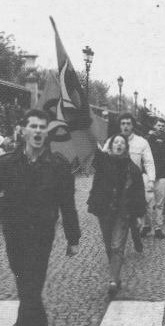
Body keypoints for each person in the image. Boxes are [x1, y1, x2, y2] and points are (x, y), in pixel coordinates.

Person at [0, 109, 80, 326]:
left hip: (41, 235)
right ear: (23, 130)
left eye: (42, 127)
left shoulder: (59, 166)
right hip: (14, 234)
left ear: (47, 134)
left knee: (32, 283)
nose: (37, 131)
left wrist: (73, 238)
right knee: (25, 283)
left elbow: (68, 204)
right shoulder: (6, 164)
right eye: (33, 126)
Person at [88, 134, 146, 298]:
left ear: (126, 148)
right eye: (116, 142)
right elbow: (93, 149)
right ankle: (116, 276)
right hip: (105, 211)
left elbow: (138, 192)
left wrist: (140, 215)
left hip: (123, 212)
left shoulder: (133, 168)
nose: (119, 144)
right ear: (111, 146)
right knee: (108, 245)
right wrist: (103, 150)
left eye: (122, 142)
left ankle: (113, 280)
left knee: (117, 246)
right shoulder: (103, 162)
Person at [103, 113, 155, 249]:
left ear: (133, 126)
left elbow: (149, 162)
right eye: (123, 123)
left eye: (128, 123)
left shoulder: (142, 142)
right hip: (116, 184)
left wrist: (151, 179)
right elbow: (102, 161)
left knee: (133, 214)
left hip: (134, 184)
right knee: (118, 214)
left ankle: (136, 237)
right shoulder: (112, 141)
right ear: (119, 125)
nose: (125, 126)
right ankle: (118, 247)